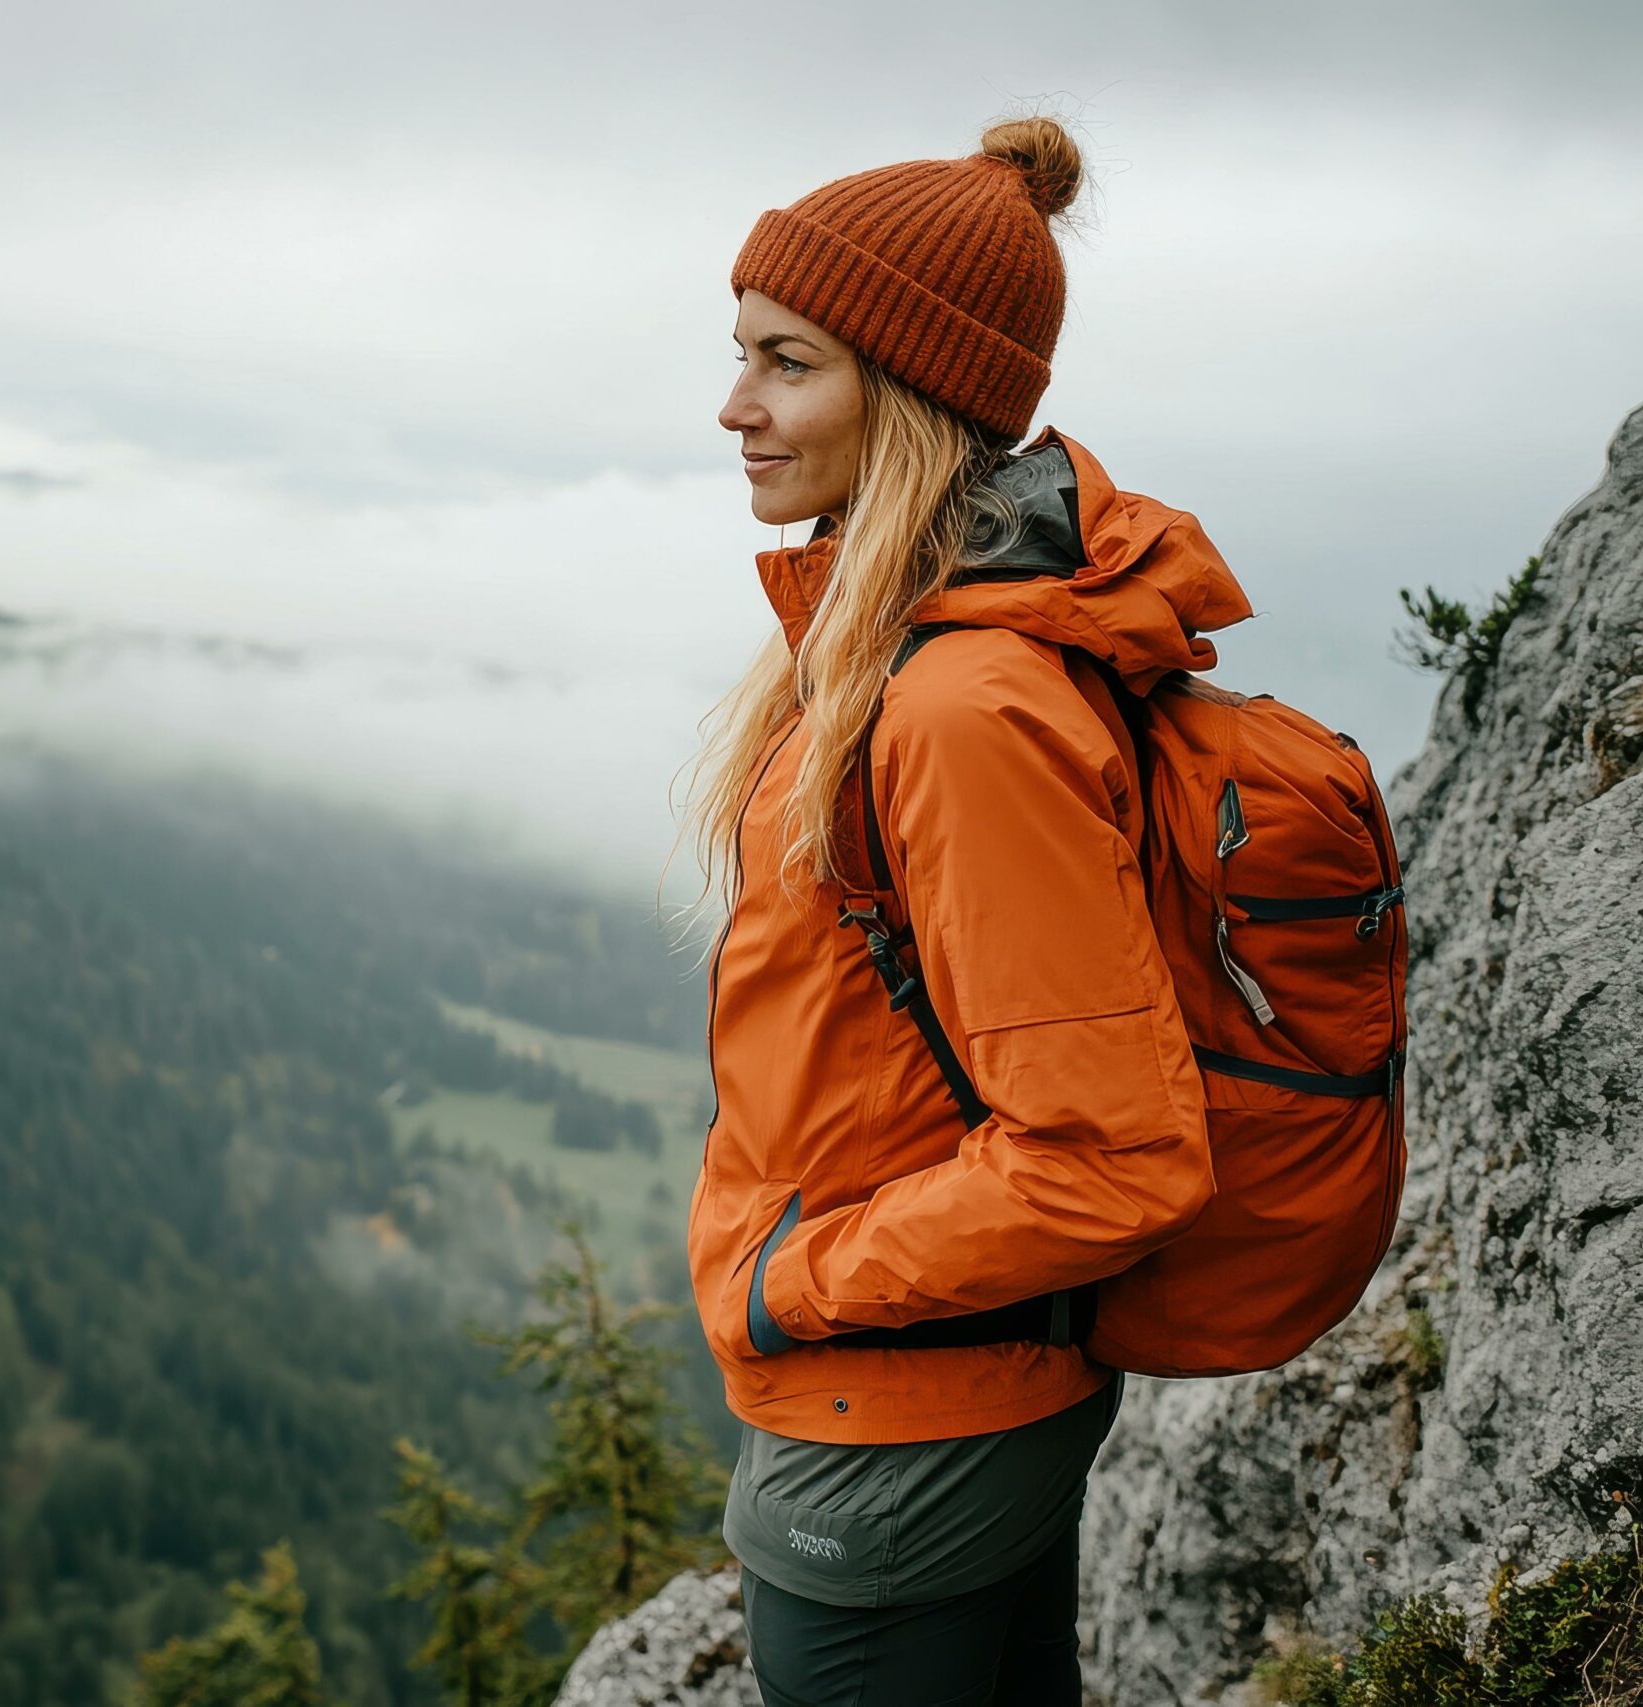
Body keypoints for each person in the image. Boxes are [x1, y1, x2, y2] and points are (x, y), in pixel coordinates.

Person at [678, 114, 1253, 1706]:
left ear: (913, 389)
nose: (734, 406)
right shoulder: (897, 658)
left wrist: (797, 1279)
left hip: (893, 1420)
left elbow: (1113, 1150)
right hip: (938, 1388)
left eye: (787, 362)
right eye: (741, 355)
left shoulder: (958, 708)